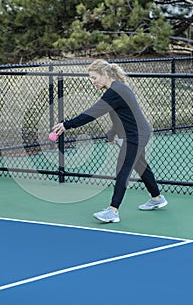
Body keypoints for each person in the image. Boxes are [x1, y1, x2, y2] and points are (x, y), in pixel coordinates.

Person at [53, 59, 168, 223]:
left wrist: (66, 124)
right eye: (91, 79)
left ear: (105, 74)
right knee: (140, 165)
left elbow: (92, 113)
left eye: (94, 78)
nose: (92, 82)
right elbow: (123, 114)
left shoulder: (115, 91)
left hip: (136, 135)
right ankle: (157, 198)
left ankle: (113, 211)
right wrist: (112, 132)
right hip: (137, 133)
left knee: (123, 169)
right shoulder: (117, 89)